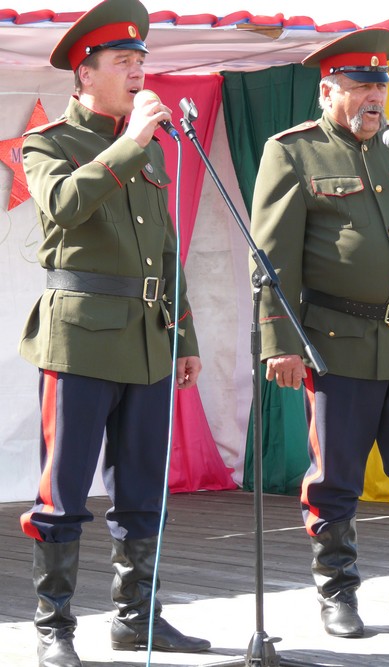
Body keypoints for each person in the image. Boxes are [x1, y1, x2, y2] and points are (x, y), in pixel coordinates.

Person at [250, 27, 389, 638]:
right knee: (335, 480)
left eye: (381, 86)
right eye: (360, 86)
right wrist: (281, 342)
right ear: (328, 91)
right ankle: (337, 594)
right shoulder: (293, 152)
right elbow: (271, 260)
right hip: (336, 345)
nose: (375, 97)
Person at [18, 1, 210, 665]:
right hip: (80, 338)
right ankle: (54, 626)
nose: (137, 72)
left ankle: (138, 618)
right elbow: (64, 205)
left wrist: (185, 335)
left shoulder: (147, 147)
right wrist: (129, 146)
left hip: (149, 339)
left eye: (140, 61)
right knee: (64, 488)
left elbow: (166, 250)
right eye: (123, 61)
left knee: (142, 488)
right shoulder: (46, 143)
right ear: (85, 73)